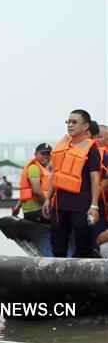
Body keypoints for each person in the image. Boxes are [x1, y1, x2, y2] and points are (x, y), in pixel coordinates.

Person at [42, 109, 101, 258]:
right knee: (58, 245)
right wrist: (48, 199)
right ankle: (59, 278)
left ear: (85, 126)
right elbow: (55, 175)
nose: (70, 125)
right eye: (68, 121)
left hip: (81, 204)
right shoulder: (62, 148)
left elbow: (95, 179)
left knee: (84, 245)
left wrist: (94, 206)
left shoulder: (91, 150)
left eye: (74, 122)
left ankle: (87, 278)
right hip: (60, 204)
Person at [11, 143, 52, 223]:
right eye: (43, 153)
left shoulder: (44, 168)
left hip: (35, 210)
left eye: (48, 154)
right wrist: (48, 207)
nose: (46, 156)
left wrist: (17, 207)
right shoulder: (34, 168)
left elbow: (27, 192)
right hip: (37, 210)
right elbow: (36, 191)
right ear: (36, 154)